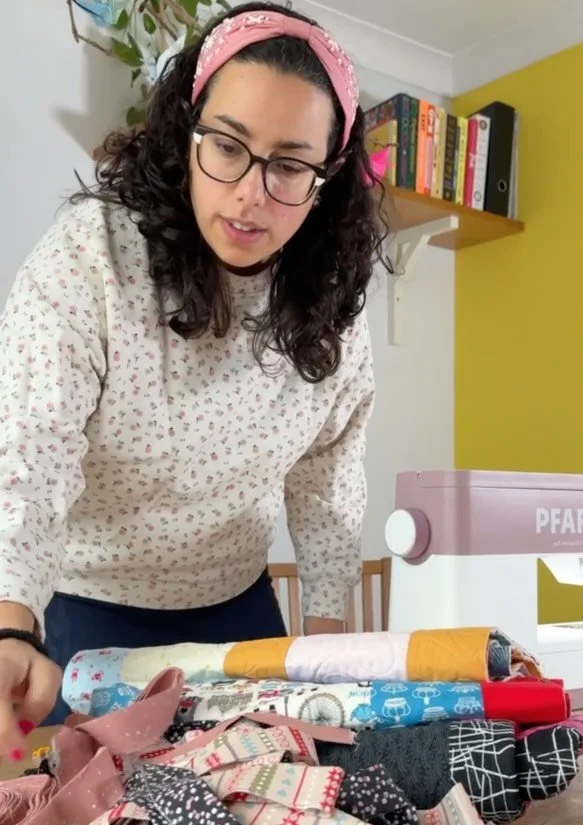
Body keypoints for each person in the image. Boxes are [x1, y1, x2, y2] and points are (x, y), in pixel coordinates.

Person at [0, 1, 389, 757]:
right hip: (85, 606)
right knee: (85, 812)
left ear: (328, 177)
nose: (250, 194)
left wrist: (331, 647)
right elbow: (30, 448)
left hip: (235, 608)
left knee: (277, 786)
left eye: (290, 166)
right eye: (228, 146)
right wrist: (12, 621)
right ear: (188, 130)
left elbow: (329, 476)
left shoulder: (331, 301)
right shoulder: (90, 259)